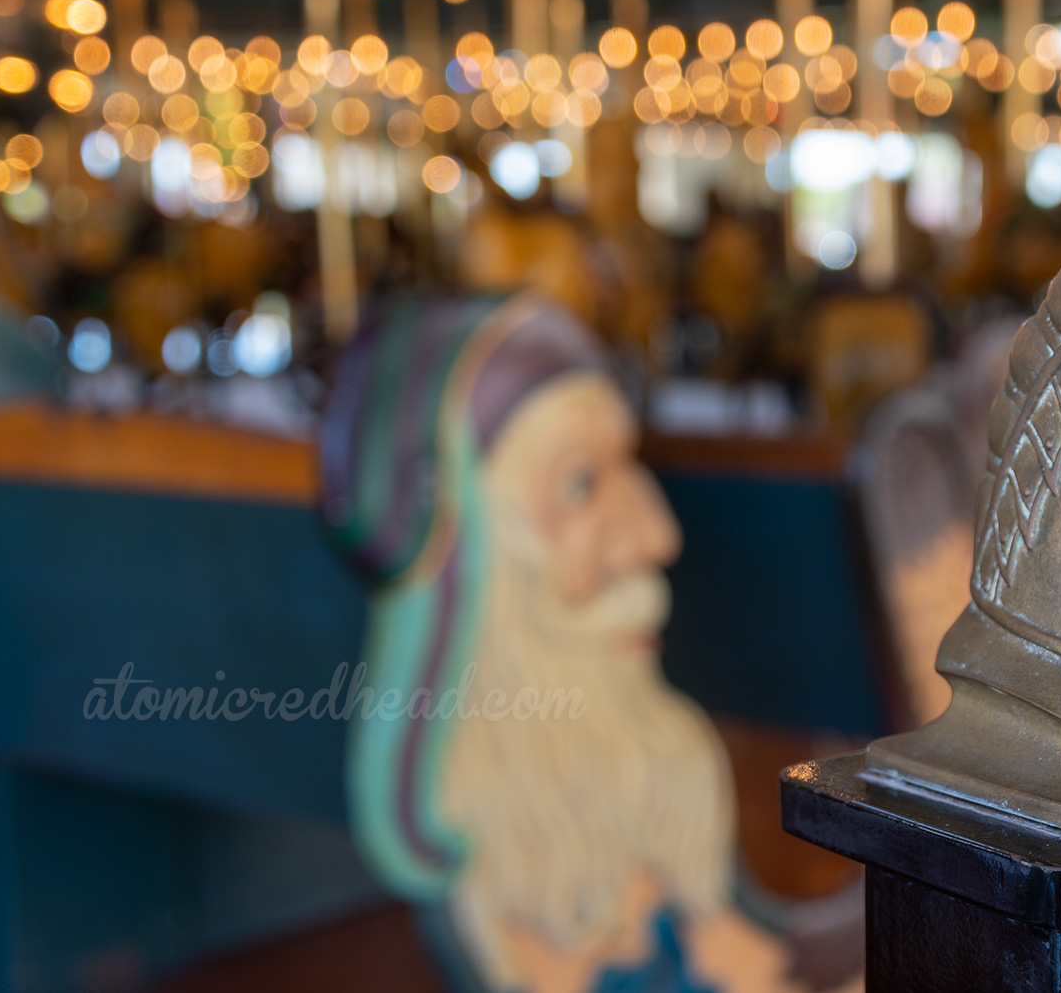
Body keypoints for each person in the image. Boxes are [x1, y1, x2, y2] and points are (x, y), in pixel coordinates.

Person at [321, 295, 850, 993]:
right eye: (578, 483)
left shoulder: (645, 832)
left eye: (625, 467)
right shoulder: (528, 890)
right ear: (460, 552)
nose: (656, 533)